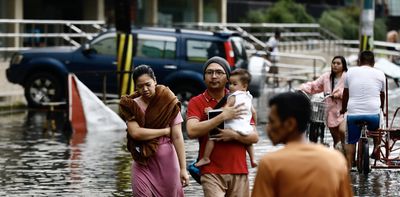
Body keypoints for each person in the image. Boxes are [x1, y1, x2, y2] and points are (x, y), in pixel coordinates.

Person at [252, 92, 353, 197]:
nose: (268, 127)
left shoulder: (270, 164)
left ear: (290, 124)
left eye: (272, 121)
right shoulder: (336, 160)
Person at [186, 56, 259, 197]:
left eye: (219, 72)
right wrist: (222, 116)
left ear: (227, 78)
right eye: (209, 72)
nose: (214, 76)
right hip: (211, 172)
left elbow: (254, 137)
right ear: (204, 77)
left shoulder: (241, 98)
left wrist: (234, 135)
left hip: (239, 170)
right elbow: (191, 131)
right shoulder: (196, 102)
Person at [119, 65, 189, 196]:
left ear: (155, 81)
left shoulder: (168, 101)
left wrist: (183, 168)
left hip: (167, 162)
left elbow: (178, 137)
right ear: (136, 87)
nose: (145, 89)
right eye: (140, 86)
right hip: (142, 160)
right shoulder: (131, 105)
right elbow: (135, 133)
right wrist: (164, 131)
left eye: (148, 84)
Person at [195, 68, 258, 168]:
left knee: (212, 136)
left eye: (234, 84)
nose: (231, 87)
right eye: (230, 84)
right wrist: (254, 125)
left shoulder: (234, 96)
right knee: (249, 143)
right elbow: (254, 112)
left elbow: (225, 110)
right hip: (244, 126)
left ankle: (206, 158)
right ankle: (252, 159)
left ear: (244, 86)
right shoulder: (248, 97)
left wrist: (210, 111)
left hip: (232, 125)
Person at [341, 50, 386, 170]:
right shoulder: (380, 74)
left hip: (354, 114)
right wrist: (382, 109)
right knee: (378, 128)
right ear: (373, 62)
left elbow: (346, 94)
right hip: (373, 115)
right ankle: (377, 146)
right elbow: (382, 95)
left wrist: (343, 109)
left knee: (351, 140)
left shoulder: (350, 71)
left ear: (359, 61)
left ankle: (349, 167)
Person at [299, 56, 348, 150]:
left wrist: (340, 94)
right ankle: (338, 157)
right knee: (336, 139)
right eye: (334, 63)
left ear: (343, 66)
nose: (335, 65)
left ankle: (348, 156)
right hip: (330, 111)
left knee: (344, 136)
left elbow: (351, 91)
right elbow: (315, 86)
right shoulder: (326, 77)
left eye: (338, 63)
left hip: (344, 110)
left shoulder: (347, 77)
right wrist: (302, 88)